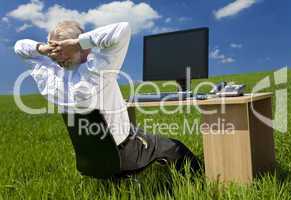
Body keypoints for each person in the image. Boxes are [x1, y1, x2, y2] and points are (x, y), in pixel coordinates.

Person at [14, 20, 202, 177]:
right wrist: (78, 43)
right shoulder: (96, 71)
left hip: (92, 157)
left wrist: (44, 48)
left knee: (137, 130)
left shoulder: (48, 78)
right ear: (83, 49)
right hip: (124, 154)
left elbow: (19, 47)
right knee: (176, 146)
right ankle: (201, 179)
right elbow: (122, 30)